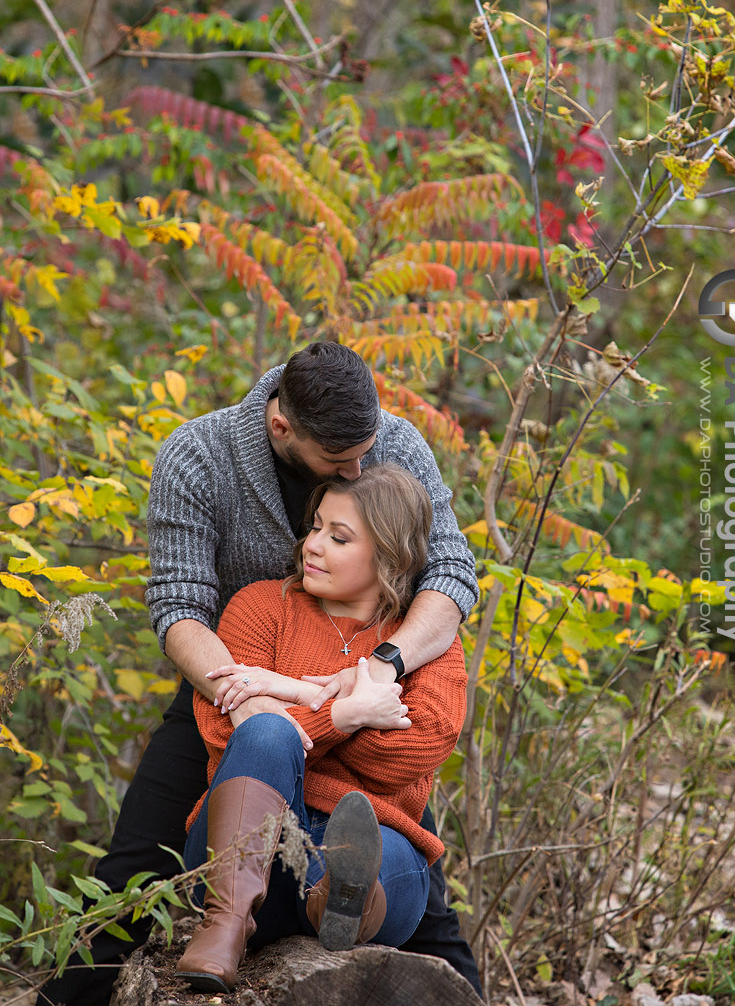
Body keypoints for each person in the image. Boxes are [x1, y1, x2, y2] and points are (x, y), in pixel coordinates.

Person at [37, 342, 481, 1006]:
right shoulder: (199, 455)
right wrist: (247, 700)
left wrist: (380, 671)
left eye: (367, 451)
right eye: (341, 463)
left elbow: (448, 572)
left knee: (413, 894)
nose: (363, 467)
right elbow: (181, 608)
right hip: (232, 678)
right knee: (132, 875)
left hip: (379, 687)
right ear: (282, 427)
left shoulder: (393, 442)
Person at [176, 464, 468, 992]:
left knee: (384, 854)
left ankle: (335, 899)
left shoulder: (425, 640)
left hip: (376, 851)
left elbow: (415, 748)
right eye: (314, 527)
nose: (313, 545)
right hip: (246, 841)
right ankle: (225, 922)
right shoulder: (261, 607)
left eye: (338, 537)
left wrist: (289, 691)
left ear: (390, 555)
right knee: (266, 735)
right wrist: (341, 711)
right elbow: (229, 729)